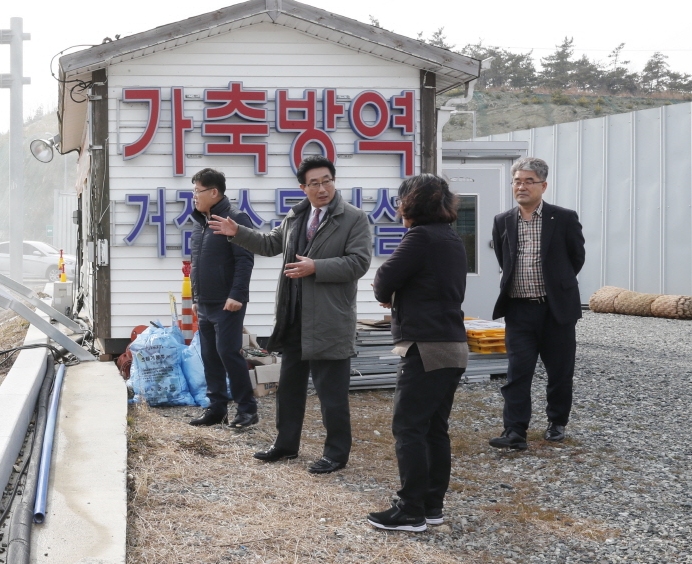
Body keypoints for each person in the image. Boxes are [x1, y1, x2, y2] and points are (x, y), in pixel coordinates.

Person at [208, 156, 371, 473]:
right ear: (303, 187)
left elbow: (359, 263)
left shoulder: (353, 218)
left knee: (332, 396)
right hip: (294, 318)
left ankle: (336, 454)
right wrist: (236, 231)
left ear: (333, 182)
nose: (322, 188)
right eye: (314, 183)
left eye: (327, 181)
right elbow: (270, 244)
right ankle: (285, 446)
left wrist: (316, 267)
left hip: (329, 321)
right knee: (290, 389)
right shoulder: (297, 216)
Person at [366, 174, 467, 532]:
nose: (397, 207)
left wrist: (392, 291)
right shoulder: (451, 237)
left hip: (426, 347)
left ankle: (409, 510)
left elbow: (383, 280)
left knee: (408, 426)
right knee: (434, 429)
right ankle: (431, 506)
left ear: (411, 203)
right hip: (453, 345)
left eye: (400, 200)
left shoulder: (420, 237)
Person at [488, 157, 585, 451]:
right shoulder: (502, 220)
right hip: (519, 310)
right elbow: (504, 261)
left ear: (543, 185)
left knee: (559, 372)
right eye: (517, 180)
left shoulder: (564, 218)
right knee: (518, 373)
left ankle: (557, 422)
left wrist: (557, 285)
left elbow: (576, 259)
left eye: (528, 181)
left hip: (556, 310)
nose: (521, 186)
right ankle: (514, 431)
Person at [186, 168, 258, 429]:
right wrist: (196, 297)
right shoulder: (199, 222)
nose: (194, 196)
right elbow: (196, 263)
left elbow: (244, 260)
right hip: (205, 302)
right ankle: (217, 409)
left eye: (198, 191)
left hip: (229, 302)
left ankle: (248, 410)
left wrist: (237, 295)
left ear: (213, 192)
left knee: (228, 353)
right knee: (210, 355)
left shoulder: (236, 219)